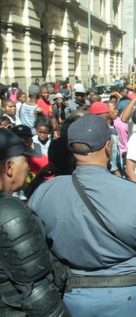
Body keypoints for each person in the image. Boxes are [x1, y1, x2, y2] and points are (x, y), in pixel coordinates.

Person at [28, 115, 136, 317]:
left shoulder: (45, 192)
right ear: (108, 146)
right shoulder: (133, 193)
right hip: (128, 294)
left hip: (73, 295)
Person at [0, 129, 70, 316]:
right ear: (9, 166)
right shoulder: (9, 213)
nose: (29, 167)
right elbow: (37, 292)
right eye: (25, 161)